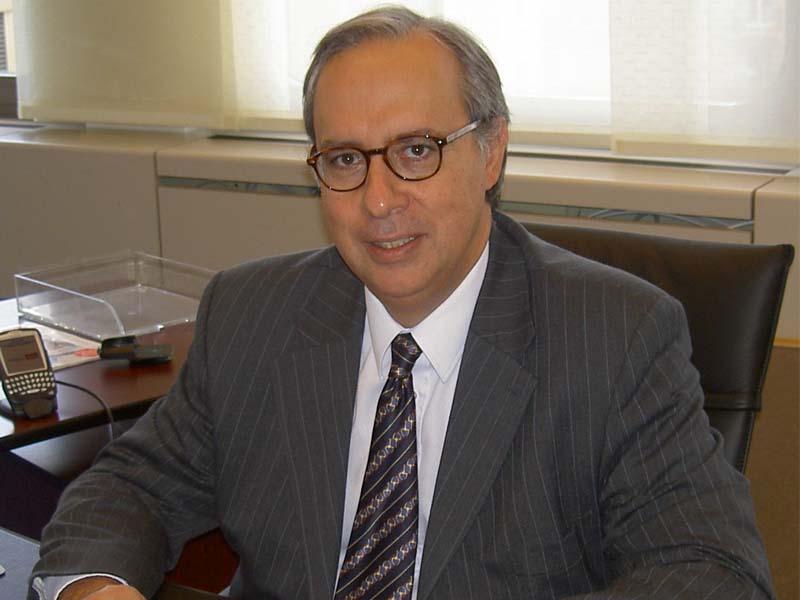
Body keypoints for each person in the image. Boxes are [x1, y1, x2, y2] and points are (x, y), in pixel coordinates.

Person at [31, 6, 774, 600]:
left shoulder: (615, 335)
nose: (380, 200)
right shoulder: (252, 314)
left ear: (490, 151)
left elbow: (711, 571)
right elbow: (130, 488)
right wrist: (95, 589)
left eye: (417, 150)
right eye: (345, 159)